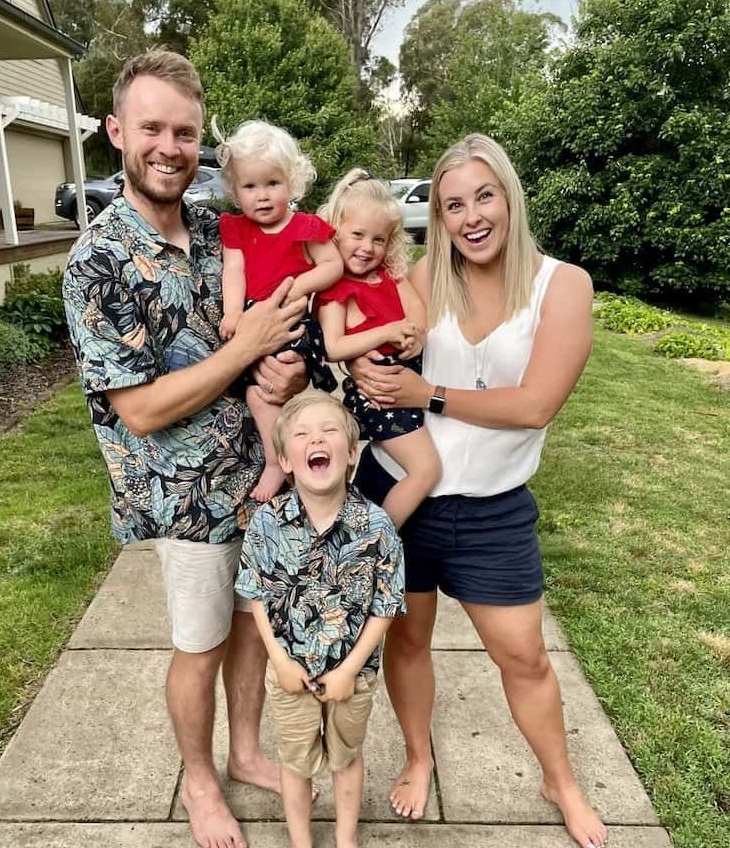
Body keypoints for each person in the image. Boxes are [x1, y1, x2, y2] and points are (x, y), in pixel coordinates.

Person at [63, 50, 310, 848]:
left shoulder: (218, 227)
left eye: (185, 132)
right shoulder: (97, 260)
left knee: (248, 625)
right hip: (184, 494)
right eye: (152, 129)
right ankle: (200, 780)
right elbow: (137, 410)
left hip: (260, 480)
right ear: (115, 134)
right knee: (199, 645)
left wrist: (291, 354)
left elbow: (281, 311)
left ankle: (243, 753)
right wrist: (248, 351)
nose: (169, 147)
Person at [349, 134, 609, 848]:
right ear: (437, 216)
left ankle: (560, 779)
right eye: (452, 204)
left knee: (523, 656)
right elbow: (366, 326)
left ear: (509, 198)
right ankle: (417, 757)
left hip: (492, 511)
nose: (470, 217)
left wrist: (425, 390)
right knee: (406, 640)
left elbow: (534, 405)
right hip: (399, 491)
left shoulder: (564, 284)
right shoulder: (433, 273)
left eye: (483, 196)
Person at [235, 391, 406, 848]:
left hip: (355, 675)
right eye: (303, 434)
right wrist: (280, 662)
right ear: (286, 460)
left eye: (330, 431)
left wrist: (350, 669)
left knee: (346, 757)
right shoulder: (267, 524)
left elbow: (386, 605)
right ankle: (300, 840)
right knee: (294, 761)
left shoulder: (376, 526)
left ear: (350, 453)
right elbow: (256, 597)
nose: (317, 439)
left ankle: (346, 839)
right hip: (290, 672)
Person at [214, 119, 344, 502]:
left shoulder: (304, 227)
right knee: (257, 396)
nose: (263, 196)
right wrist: (233, 313)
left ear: (292, 182)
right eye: (250, 186)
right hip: (253, 318)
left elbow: (332, 265)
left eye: (273, 183)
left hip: (294, 324)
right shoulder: (236, 230)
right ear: (236, 192)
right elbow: (234, 273)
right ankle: (278, 461)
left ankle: (302, 466)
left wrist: (298, 287)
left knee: (293, 397)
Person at [314, 169, 440, 529]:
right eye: (357, 235)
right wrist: (386, 330)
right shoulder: (336, 290)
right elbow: (335, 346)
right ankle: (373, 542)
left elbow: (417, 312)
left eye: (379, 240)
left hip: (406, 382)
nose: (367, 248)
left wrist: (415, 334)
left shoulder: (388, 276)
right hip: (379, 393)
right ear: (335, 231)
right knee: (426, 469)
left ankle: (359, 528)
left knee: (390, 469)